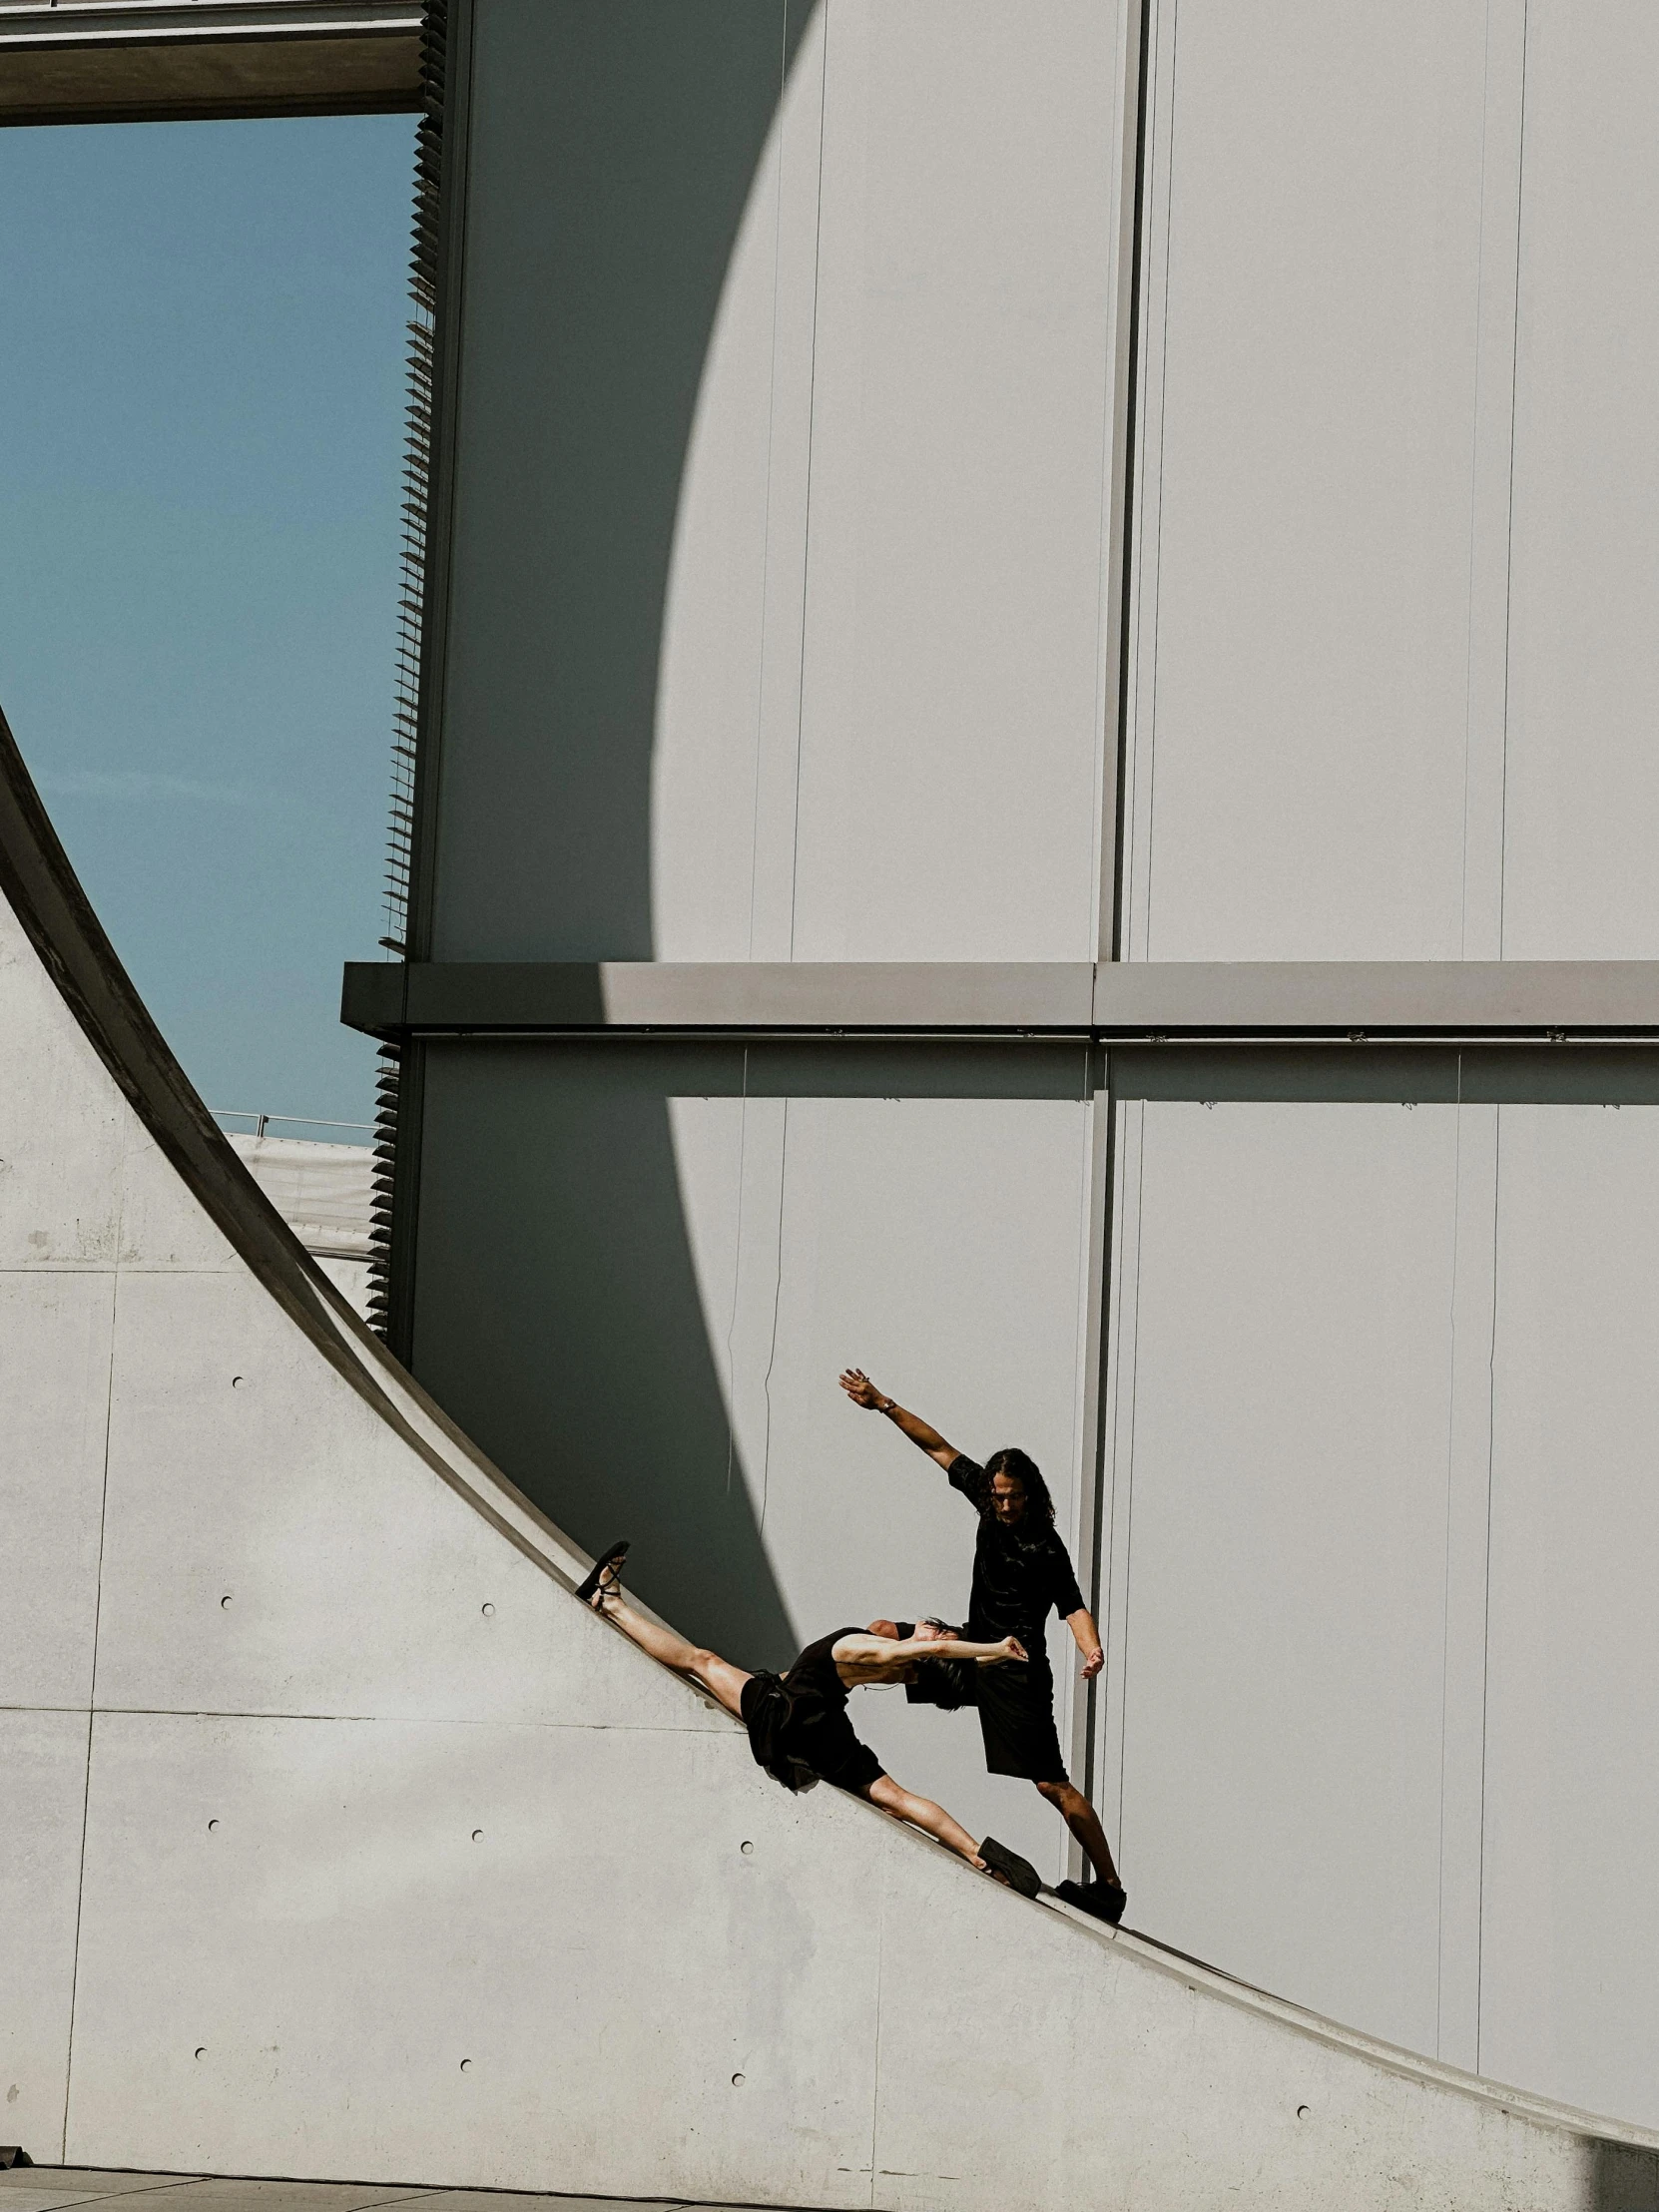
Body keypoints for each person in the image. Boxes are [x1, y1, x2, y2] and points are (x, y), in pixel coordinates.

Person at [575, 1542, 1043, 1898]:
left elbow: (935, 1647)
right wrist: (982, 1661)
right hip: (828, 1730)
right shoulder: (904, 1667)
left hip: (788, 1715)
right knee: (894, 1797)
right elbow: (929, 1651)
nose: (928, 1627)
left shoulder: (881, 1650)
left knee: (702, 1661)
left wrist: (995, 1648)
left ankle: (608, 1600)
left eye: (935, 1629)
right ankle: (975, 1854)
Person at [838, 1371, 1128, 1925]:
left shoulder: (1046, 1546)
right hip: (972, 1651)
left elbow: (1073, 1607)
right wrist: (882, 1403)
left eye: (1012, 1499)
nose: (1003, 1507)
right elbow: (937, 1446)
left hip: (1017, 1672)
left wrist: (1091, 1650)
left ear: (1031, 1495)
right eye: (997, 1498)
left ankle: (1109, 1886)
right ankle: (811, 1708)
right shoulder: (984, 1497)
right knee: (882, 1636)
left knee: (1052, 1784)